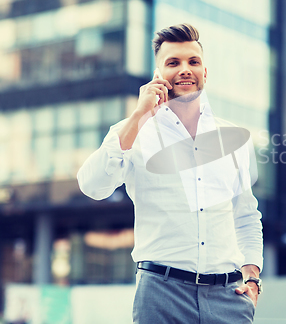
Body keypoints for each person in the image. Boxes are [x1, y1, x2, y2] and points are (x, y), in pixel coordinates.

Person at [77, 23, 263, 323]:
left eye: (193, 61)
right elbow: (92, 186)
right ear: (158, 75)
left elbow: (246, 215)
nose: (185, 69)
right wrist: (139, 115)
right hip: (161, 296)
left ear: (206, 72)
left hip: (229, 298)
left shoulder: (232, 137)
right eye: (172, 63)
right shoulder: (133, 131)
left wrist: (253, 276)